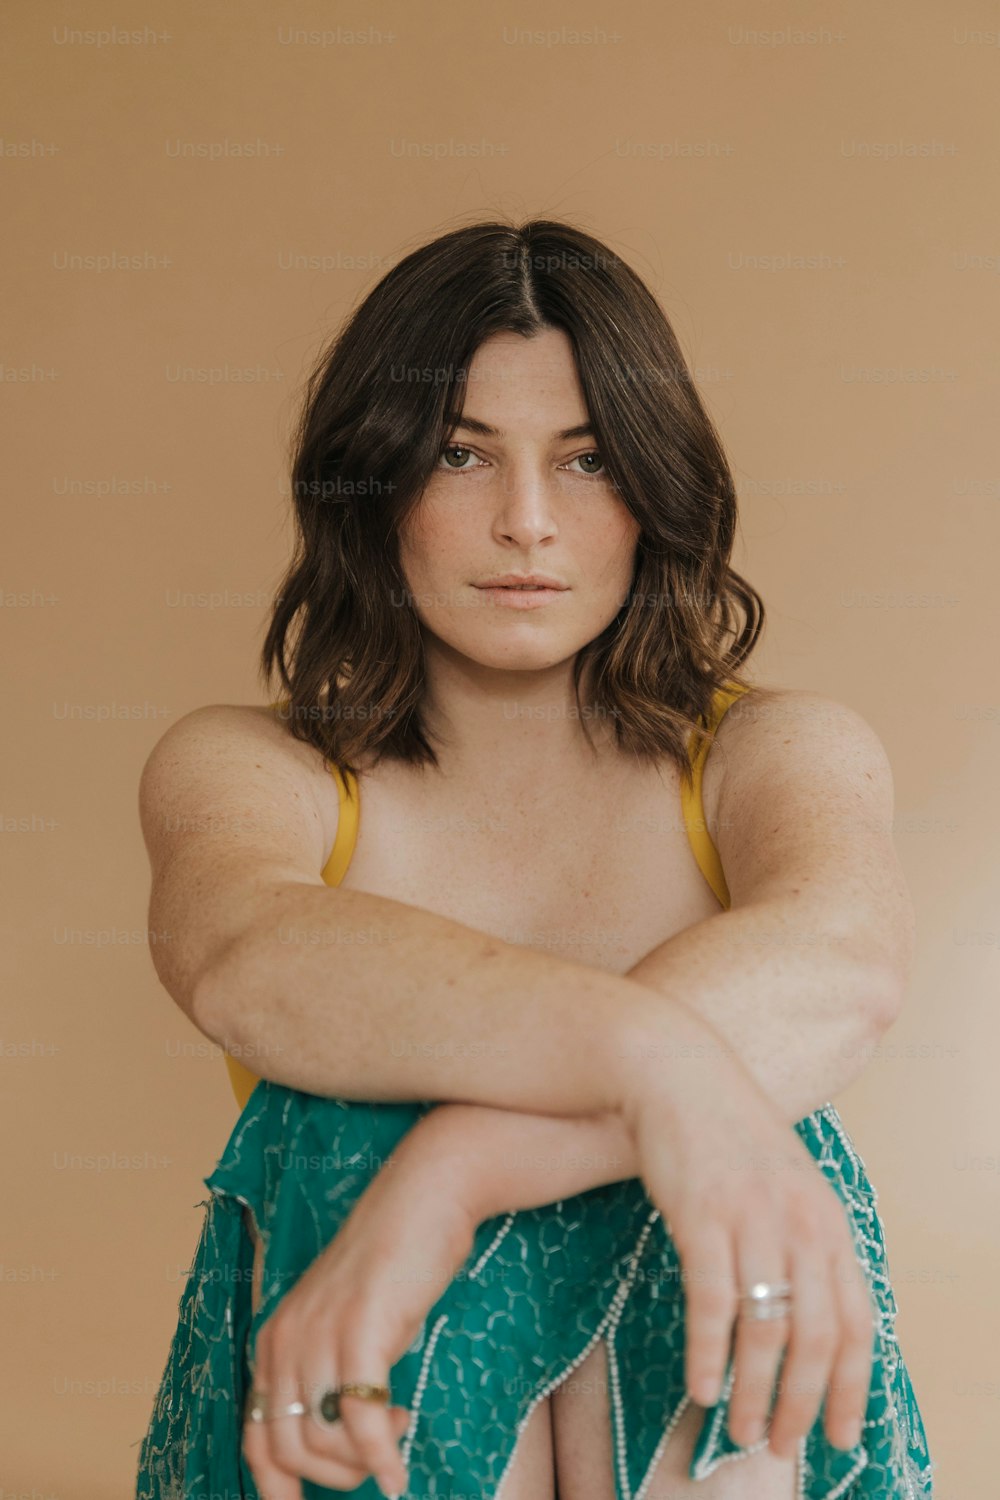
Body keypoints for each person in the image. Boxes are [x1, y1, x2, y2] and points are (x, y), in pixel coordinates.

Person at [134, 219, 933, 1499]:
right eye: (461, 455)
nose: (524, 523)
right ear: (375, 482)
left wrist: (457, 1174)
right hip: (382, 1426)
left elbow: (843, 974)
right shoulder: (251, 768)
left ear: (651, 493)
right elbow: (244, 961)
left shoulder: (774, 751)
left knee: (740, 1130)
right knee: (338, 1121)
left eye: (585, 461)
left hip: (707, 1447)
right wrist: (658, 1061)